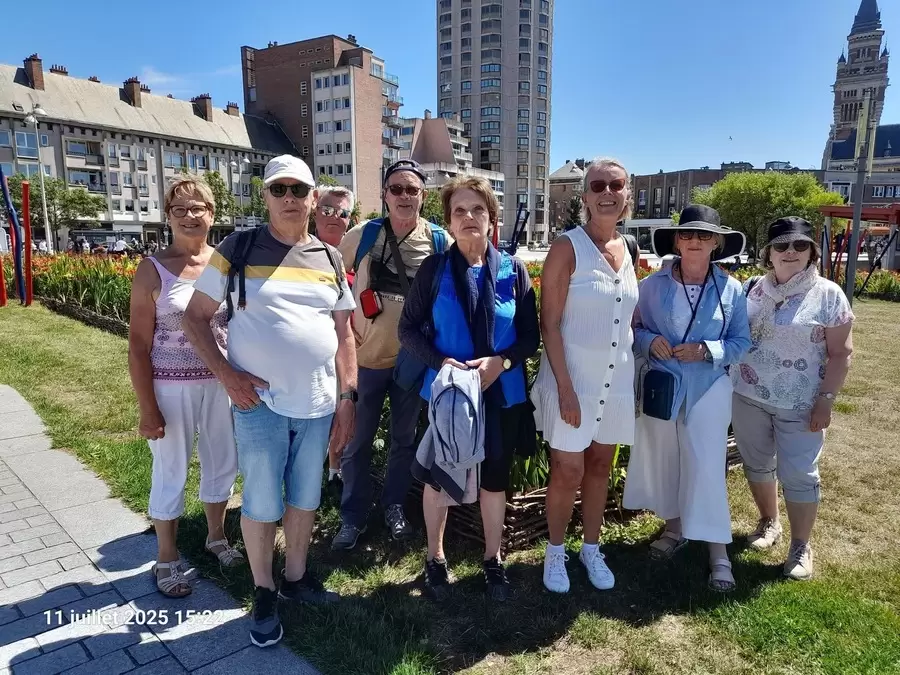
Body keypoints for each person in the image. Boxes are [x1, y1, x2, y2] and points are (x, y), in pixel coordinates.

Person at [183, 155, 356, 648]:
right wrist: (227, 375)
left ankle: (296, 578)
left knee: (304, 497)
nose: (289, 198)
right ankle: (264, 591)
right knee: (261, 502)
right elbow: (194, 317)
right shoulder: (237, 249)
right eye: (278, 189)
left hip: (318, 404)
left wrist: (348, 396)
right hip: (258, 404)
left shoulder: (330, 258)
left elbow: (344, 334)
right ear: (265, 197)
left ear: (313, 198)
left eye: (298, 190)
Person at [398, 176, 539, 601]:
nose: (468, 217)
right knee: (439, 476)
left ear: (492, 218)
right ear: (449, 222)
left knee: (495, 477)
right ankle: (435, 558)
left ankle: (493, 559)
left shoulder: (514, 271)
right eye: (459, 211)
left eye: (478, 209)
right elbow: (408, 330)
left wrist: (502, 362)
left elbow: (530, 337)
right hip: (450, 397)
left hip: (501, 393)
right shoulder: (434, 270)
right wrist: (442, 363)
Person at [624, 204, 751, 592]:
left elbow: (741, 343)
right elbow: (634, 328)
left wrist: (707, 351)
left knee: (707, 466)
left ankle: (718, 552)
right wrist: (649, 341)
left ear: (716, 243)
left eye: (704, 235)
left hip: (708, 389)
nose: (695, 240)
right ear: (677, 241)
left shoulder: (731, 289)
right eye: (687, 234)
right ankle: (674, 528)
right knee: (666, 459)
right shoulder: (651, 286)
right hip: (663, 388)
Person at [128, 176, 242, 599]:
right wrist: (148, 408)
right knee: (171, 467)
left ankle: (216, 537)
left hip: (222, 383)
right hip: (170, 387)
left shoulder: (225, 264)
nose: (190, 215)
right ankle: (167, 556)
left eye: (198, 208)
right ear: (168, 216)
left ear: (212, 214)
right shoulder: (152, 269)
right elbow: (138, 345)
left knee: (222, 461)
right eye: (180, 209)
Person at [531, 158, 640, 594]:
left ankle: (591, 549)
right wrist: (565, 389)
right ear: (585, 197)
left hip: (616, 380)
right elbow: (549, 324)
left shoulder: (628, 248)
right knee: (567, 469)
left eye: (616, 184)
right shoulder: (567, 247)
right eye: (598, 185)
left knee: (599, 467)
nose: (607, 192)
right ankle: (555, 551)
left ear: (627, 193)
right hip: (572, 379)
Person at [333, 160, 452, 551]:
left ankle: (394, 507)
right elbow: (329, 278)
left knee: (403, 440)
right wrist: (340, 325)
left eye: (411, 189)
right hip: (365, 359)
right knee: (357, 441)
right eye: (396, 189)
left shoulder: (439, 241)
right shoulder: (364, 235)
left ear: (423, 196)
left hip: (412, 363)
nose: (404, 196)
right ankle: (352, 516)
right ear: (384, 195)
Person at [731, 216, 853, 581]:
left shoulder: (828, 294)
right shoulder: (752, 288)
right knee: (757, 464)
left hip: (801, 403)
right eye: (781, 245)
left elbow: (841, 353)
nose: (790, 252)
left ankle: (801, 545)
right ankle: (769, 521)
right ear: (768, 253)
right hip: (748, 395)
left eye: (800, 245)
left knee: (799, 473)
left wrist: (826, 399)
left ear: (811, 252)